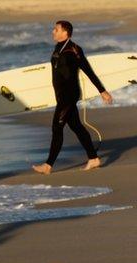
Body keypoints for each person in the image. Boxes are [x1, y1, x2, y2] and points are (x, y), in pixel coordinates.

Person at [32, 20, 113, 175]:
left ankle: (48, 166)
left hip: (68, 96)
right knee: (76, 126)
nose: (53, 32)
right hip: (61, 95)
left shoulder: (74, 50)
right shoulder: (58, 48)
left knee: (57, 128)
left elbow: (88, 71)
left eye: (56, 29)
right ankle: (93, 158)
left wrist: (102, 91)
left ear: (65, 32)